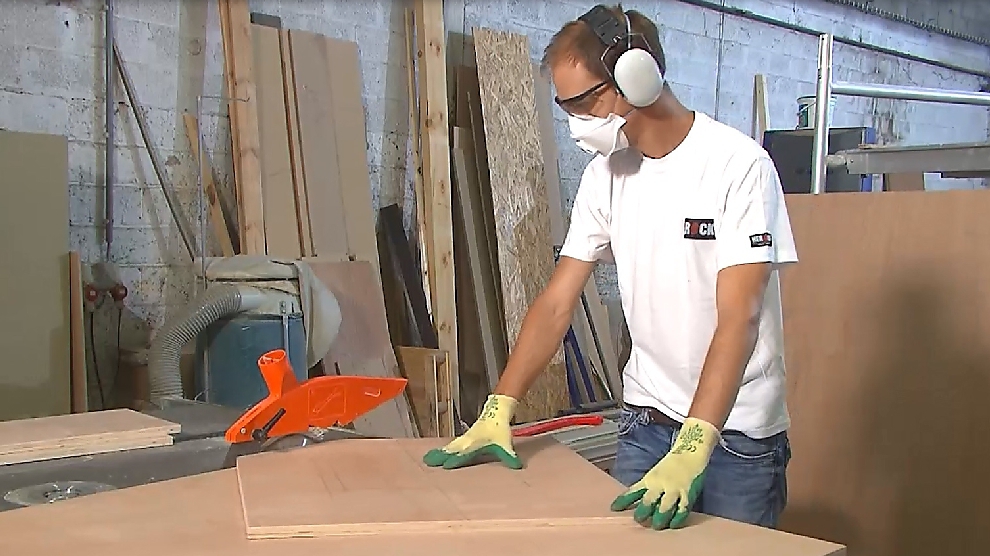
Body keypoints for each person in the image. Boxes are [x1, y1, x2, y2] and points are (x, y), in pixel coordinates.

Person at [423, 3, 798, 532]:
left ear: (637, 78)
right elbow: (558, 302)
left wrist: (695, 445)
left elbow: (740, 317)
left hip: (736, 435)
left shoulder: (738, 167)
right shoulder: (606, 177)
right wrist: (499, 405)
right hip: (647, 421)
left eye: (582, 103)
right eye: (565, 106)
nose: (576, 122)